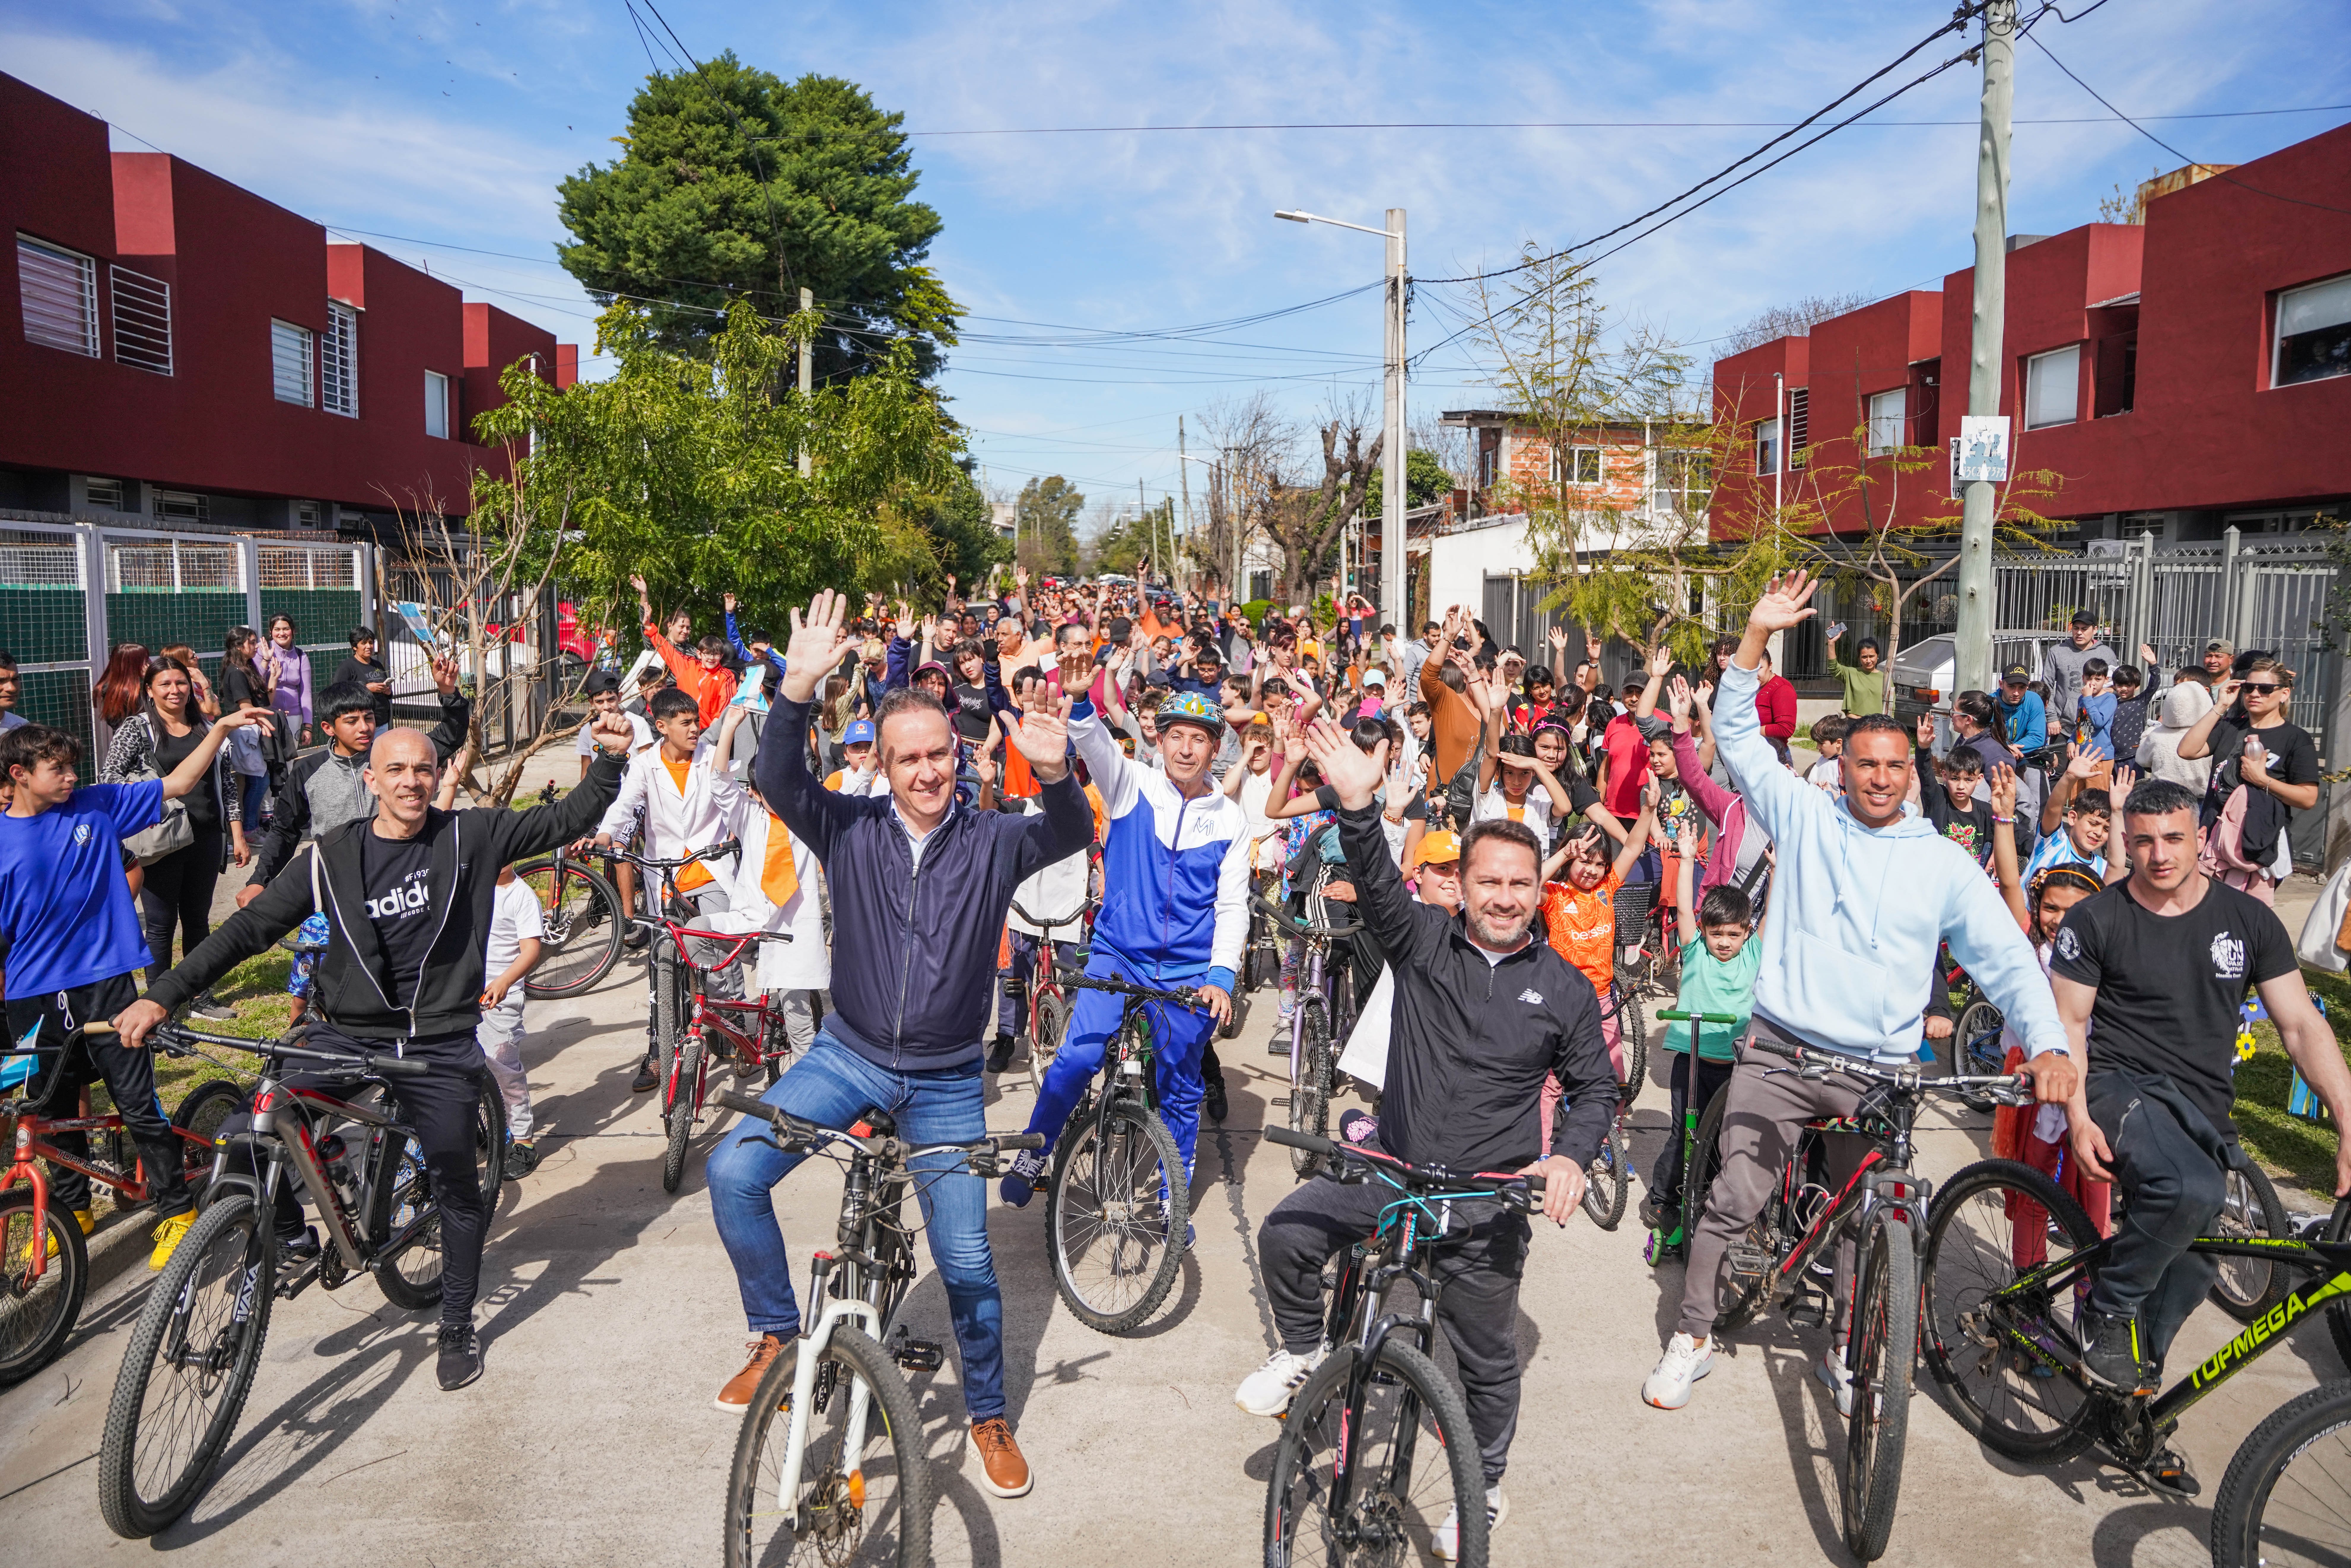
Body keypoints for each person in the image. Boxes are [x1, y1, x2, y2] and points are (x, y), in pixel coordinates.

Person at [1642, 570, 2072, 1414]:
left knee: (1866, 1219)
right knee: (1733, 1198)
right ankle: (1691, 1334)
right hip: (1780, 1050)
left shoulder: (1941, 860)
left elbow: (2006, 957)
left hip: (1880, 1069)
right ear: (1839, 763)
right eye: (1863, 762)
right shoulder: (1805, 816)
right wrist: (1755, 638)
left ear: (1912, 769)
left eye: (1893, 765)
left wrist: (2049, 1040)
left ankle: (1848, 1346)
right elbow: (1733, 732)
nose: (1878, 777)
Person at [118, 708, 636, 1389]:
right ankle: (287, 1226)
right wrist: (164, 994)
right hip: (345, 1033)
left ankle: (456, 1320)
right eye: (396, 769)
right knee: (249, 1130)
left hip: (439, 1040)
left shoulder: (472, 835)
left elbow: (566, 820)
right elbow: (249, 930)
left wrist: (608, 759)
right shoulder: (331, 859)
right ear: (371, 780)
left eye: (424, 769)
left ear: (438, 775)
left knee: (457, 1181)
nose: (412, 781)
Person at [708, 590, 1091, 1501]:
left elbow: (1072, 831)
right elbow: (779, 779)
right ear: (881, 765)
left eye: (938, 754)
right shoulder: (849, 827)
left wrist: (1059, 770)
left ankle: (990, 1412)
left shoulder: (996, 839)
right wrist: (795, 690)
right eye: (907, 757)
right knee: (732, 1172)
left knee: (966, 1264)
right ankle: (775, 1333)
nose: (926, 771)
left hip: (951, 1078)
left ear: (958, 754)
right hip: (848, 1054)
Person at [1237, 721, 1612, 1559]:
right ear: (1463, 885)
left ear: (1537, 888)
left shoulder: (1561, 987)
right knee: (1286, 1232)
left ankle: (1483, 1484)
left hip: (1486, 1200)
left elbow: (1595, 1089)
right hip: (1394, 1171)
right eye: (1488, 881)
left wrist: (1570, 1154)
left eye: (1519, 882)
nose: (1505, 896)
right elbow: (1372, 882)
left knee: (1485, 1359)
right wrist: (1360, 805)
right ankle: (1303, 1350)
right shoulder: (1422, 942)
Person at [2046, 777, 2351, 1489]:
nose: (2157, 855)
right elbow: (2068, 1024)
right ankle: (2104, 1308)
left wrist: (2347, 1123)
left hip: (2200, 1106)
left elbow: (2302, 1026)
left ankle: (2132, 1396)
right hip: (2120, 1084)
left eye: (2173, 839)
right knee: (2189, 1190)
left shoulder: (2247, 921)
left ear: (2199, 841)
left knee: (2193, 1263)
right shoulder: (2095, 919)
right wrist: (2081, 1117)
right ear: (2126, 840)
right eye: (2143, 840)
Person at [1, 710, 269, 1262]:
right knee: (51, 1109)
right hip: (31, 994)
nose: (72, 776)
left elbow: (178, 784)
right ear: (18, 774)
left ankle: (177, 1210)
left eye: (73, 767)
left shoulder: (98, 805)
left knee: (136, 1102)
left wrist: (218, 732)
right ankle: (73, 1208)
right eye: (58, 768)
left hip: (107, 984)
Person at [999, 680, 1245, 1214]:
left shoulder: (1230, 818)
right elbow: (1093, 742)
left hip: (1188, 971)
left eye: (1199, 739)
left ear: (1215, 748)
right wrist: (1084, 698)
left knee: (1180, 1088)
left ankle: (1168, 1199)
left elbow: (1232, 907)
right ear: (1158, 742)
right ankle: (1034, 1153)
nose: (1185, 749)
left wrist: (1221, 976)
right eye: (1175, 735)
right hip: (1119, 954)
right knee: (1078, 1058)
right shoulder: (1131, 785)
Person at [595, 686, 741, 1093]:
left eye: (697, 721)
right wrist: (608, 834)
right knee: (662, 965)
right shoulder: (644, 765)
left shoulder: (711, 758)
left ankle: (734, 1031)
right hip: (666, 877)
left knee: (720, 956)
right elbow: (626, 806)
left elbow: (733, 800)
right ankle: (659, 1052)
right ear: (661, 727)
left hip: (710, 870)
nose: (696, 728)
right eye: (686, 723)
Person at [239, 661, 469, 901]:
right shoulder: (307, 771)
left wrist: (448, 693)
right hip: (338, 886)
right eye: (351, 722)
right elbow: (285, 831)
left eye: (368, 718)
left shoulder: (391, 756)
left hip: (399, 881)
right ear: (329, 728)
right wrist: (259, 881)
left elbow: (450, 735)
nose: (364, 728)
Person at [98, 658, 239, 1015]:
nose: (175, 691)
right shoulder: (138, 728)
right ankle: (160, 1004)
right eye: (165, 684)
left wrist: (235, 831)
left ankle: (199, 996)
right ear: (149, 690)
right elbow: (110, 780)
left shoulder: (206, 727)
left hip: (206, 836)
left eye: (180, 683)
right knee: (161, 927)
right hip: (160, 841)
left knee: (198, 920)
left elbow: (226, 784)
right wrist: (151, 797)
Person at [1642, 821, 1759, 1233]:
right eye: (1717, 934)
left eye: (1733, 934)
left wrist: (1779, 874)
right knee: (1683, 1133)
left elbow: (1776, 916)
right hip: (1692, 1060)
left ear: (1747, 932)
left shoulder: (1753, 954)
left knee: (1726, 1138)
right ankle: (1661, 1198)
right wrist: (1689, 859)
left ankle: (1709, 1195)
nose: (1724, 942)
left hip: (1735, 1067)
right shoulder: (1696, 952)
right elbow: (1685, 910)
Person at [2174, 656, 2319, 902]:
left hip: (2257, 844)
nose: (2255, 694)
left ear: (2283, 694)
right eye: (2248, 688)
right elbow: (2187, 751)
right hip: (2213, 837)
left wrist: (2263, 780)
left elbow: (2308, 798)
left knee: (2245, 922)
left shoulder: (2295, 738)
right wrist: (2220, 707)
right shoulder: (2231, 726)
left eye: (2264, 689)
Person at [478, 862, 545, 1177]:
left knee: (505, 1073)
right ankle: (485, 1125)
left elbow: (530, 951)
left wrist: (505, 982)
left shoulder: (521, 896)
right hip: (465, 992)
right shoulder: (473, 885)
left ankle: (523, 1142)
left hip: (501, 1000)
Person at [632, 574, 737, 729]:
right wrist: (644, 595)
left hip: (706, 725)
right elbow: (648, 626)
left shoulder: (694, 653)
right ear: (670, 626)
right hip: (670, 708)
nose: (685, 631)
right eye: (682, 626)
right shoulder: (665, 650)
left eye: (688, 628)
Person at [2039, 611, 2114, 731]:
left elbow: (2113, 688)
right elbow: (2046, 686)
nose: (2079, 633)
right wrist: (2052, 718)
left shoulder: (2107, 653)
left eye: (2084, 629)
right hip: (2063, 727)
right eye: (2076, 628)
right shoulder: (2057, 652)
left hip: (2096, 727)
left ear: (2095, 630)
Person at [2137, 680, 2215, 791]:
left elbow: (2142, 759)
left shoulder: (2156, 735)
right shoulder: (2209, 736)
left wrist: (2147, 735)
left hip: (2162, 796)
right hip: (2197, 799)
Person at [576, 672, 655, 778]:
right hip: (601, 791)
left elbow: (647, 768)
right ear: (591, 702)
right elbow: (585, 774)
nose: (607, 706)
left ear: (620, 697)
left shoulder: (638, 723)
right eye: (599, 702)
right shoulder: (588, 730)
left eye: (611, 700)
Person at [259, 613, 315, 756]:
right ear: (271, 632)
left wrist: (308, 726)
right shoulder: (262, 651)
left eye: (286, 629)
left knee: (289, 760)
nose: (282, 634)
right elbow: (254, 681)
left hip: (293, 717)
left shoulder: (301, 656)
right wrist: (266, 660)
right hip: (268, 715)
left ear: (293, 631)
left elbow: (306, 692)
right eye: (277, 630)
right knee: (268, 760)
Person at [332, 626, 395, 731]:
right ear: (355, 647)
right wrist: (366, 689)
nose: (369, 646)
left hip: (382, 722)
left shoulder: (378, 665)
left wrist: (388, 692)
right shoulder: (347, 667)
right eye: (364, 643)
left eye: (371, 643)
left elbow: (387, 694)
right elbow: (338, 693)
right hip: (362, 726)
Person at [1824, 628, 1888, 717]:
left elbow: (1891, 707)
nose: (1869, 660)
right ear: (1859, 658)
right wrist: (1832, 643)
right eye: (1865, 657)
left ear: (1878, 656)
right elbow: (1833, 668)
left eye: (1872, 656)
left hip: (1878, 727)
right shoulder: (1851, 674)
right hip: (1855, 724)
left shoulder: (1886, 679)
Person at [1753, 646, 1798, 766]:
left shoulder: (1782, 688)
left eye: (1759, 668)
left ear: (1770, 666)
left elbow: (1786, 729)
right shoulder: (1750, 687)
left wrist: (1751, 730)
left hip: (1774, 756)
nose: (1754, 674)